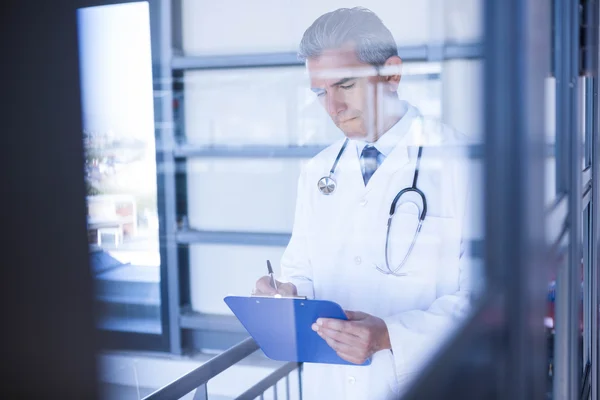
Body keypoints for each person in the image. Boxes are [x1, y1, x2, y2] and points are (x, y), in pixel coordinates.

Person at [254, 7, 475, 400]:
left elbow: (485, 295)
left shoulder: (461, 161)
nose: (332, 107)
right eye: (321, 92)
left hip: (427, 383)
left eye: (345, 85)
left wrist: (390, 335)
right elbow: (302, 269)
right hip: (331, 386)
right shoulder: (320, 170)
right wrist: (286, 293)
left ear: (391, 74)